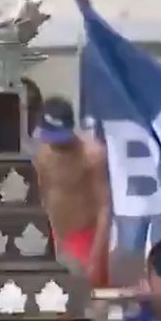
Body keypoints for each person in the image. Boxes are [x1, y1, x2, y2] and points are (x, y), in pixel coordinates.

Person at [31, 97, 110, 286]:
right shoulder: (42, 155)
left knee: (82, 295)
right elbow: (42, 199)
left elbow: (104, 207)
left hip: (85, 237)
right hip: (56, 236)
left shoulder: (92, 155)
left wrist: (96, 257)